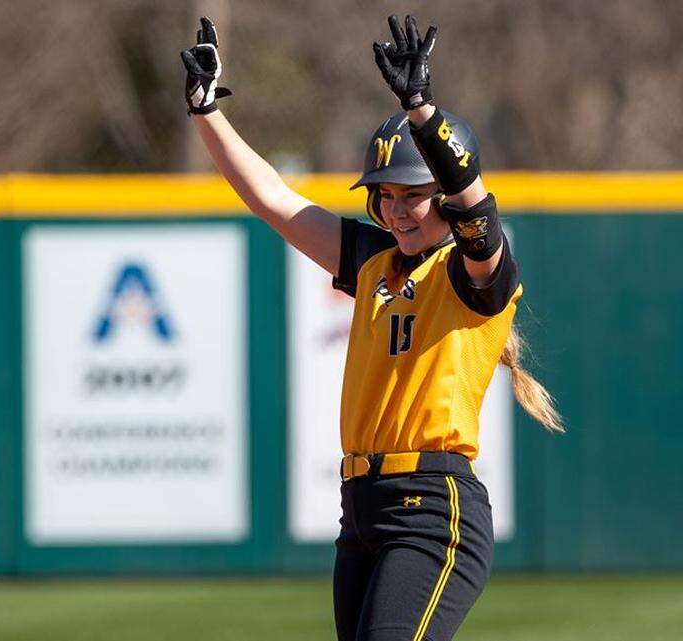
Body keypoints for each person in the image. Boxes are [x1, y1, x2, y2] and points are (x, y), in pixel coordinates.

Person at [181, 14, 562, 641]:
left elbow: (478, 211)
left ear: (440, 195)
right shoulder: (376, 263)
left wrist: (422, 112)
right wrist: (205, 113)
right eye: (384, 195)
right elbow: (275, 200)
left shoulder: (472, 277)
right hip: (361, 508)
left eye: (410, 194)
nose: (394, 208)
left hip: (433, 509)